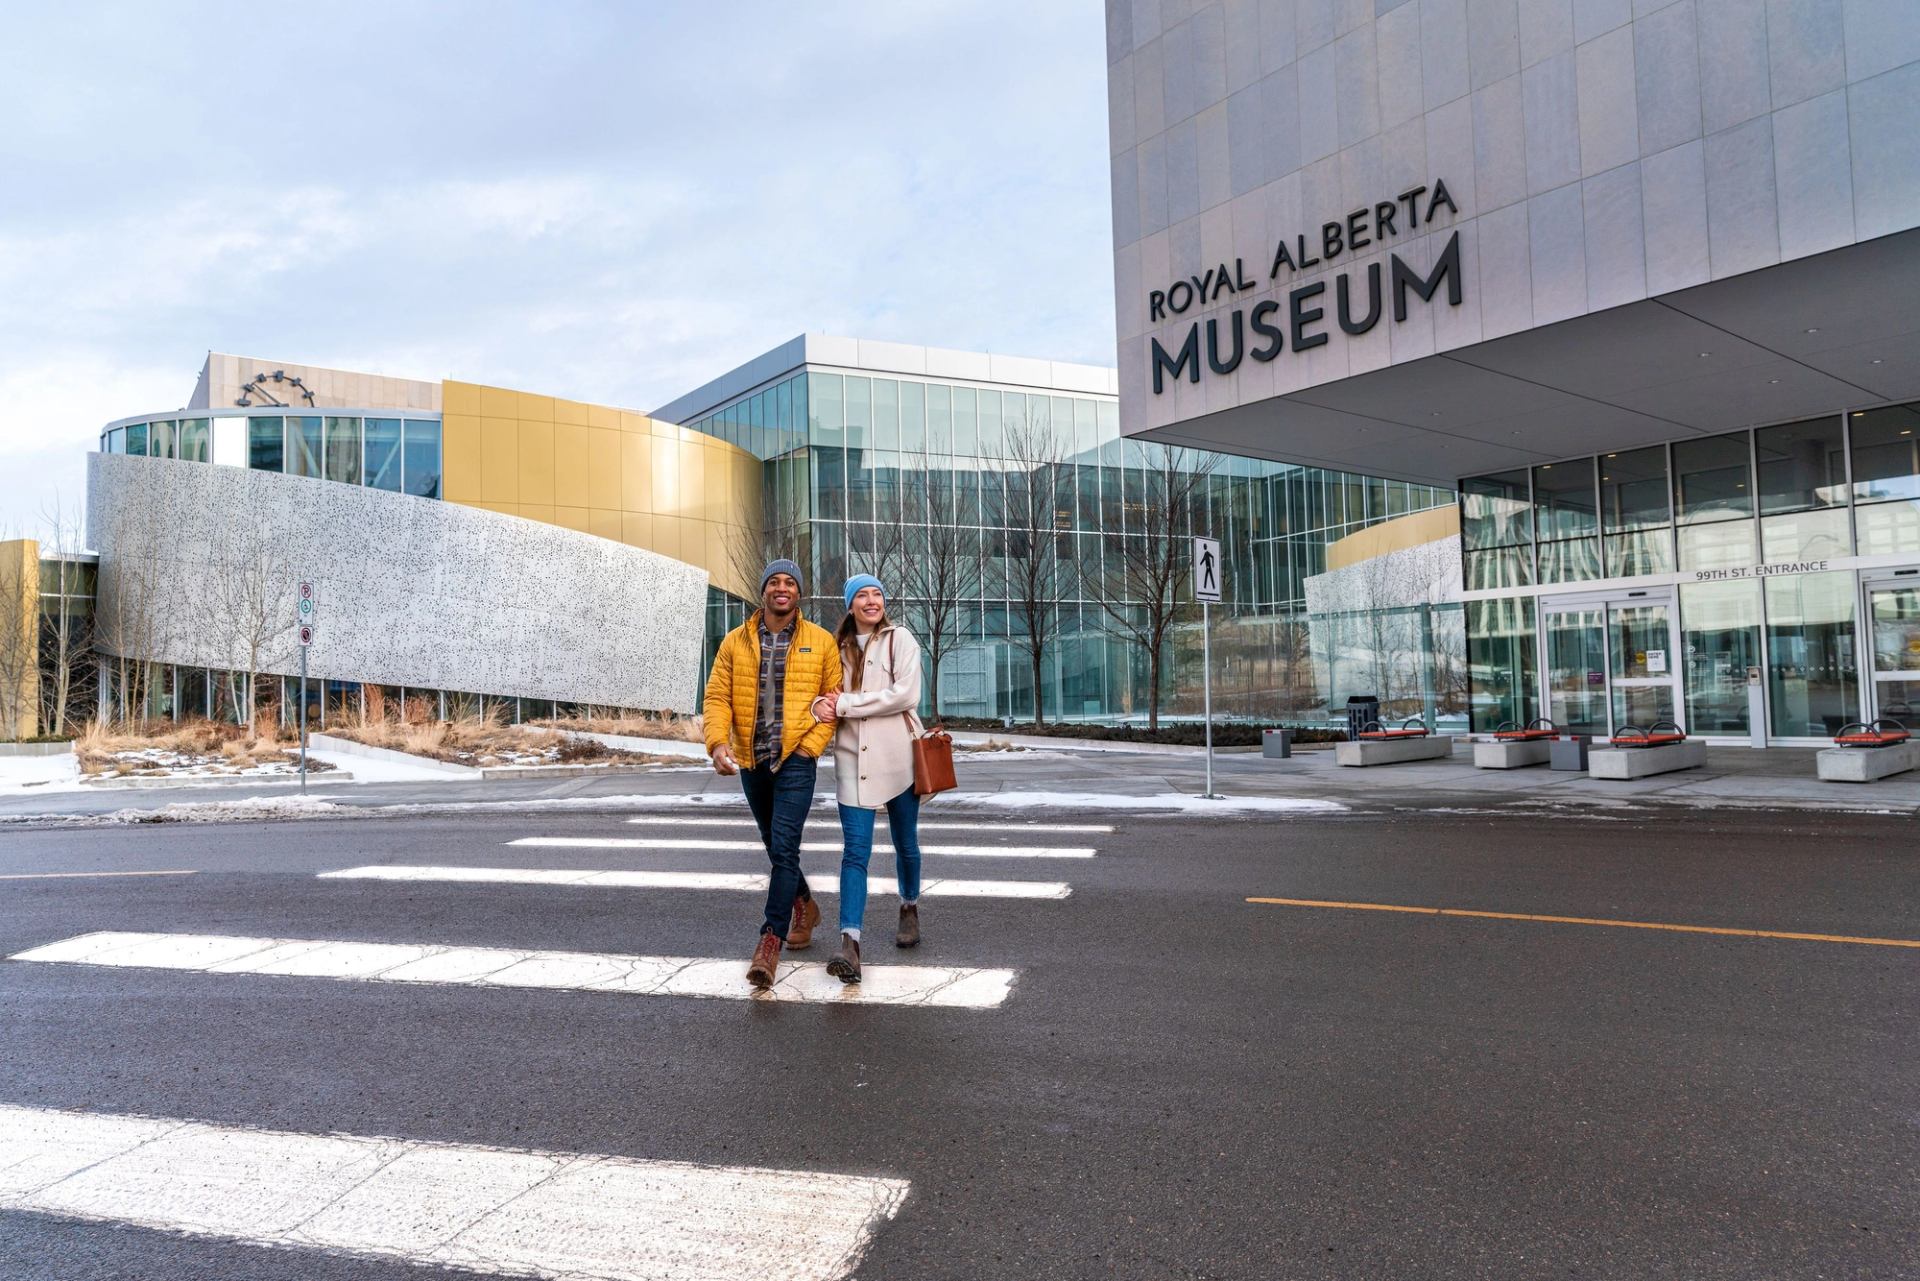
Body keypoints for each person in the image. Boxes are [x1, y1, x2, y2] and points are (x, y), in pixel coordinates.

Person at [704, 559, 842, 990]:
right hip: (752, 758)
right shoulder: (734, 642)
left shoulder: (821, 642)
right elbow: (717, 696)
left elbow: (833, 702)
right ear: (763, 591)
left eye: (790, 583)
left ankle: (770, 941)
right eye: (774, 583)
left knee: (784, 846)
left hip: (796, 759)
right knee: (773, 843)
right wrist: (717, 743)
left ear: (799, 593)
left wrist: (809, 747)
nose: (782, 589)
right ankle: (804, 902)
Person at [811, 574, 925, 985]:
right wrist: (819, 709)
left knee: (905, 843)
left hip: (899, 761)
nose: (871, 600)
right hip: (850, 762)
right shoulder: (832, 648)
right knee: (854, 852)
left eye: (876, 593)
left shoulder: (901, 639)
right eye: (862, 595)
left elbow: (906, 695)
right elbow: (818, 697)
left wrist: (846, 704)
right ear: (850, 604)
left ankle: (909, 906)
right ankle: (850, 943)